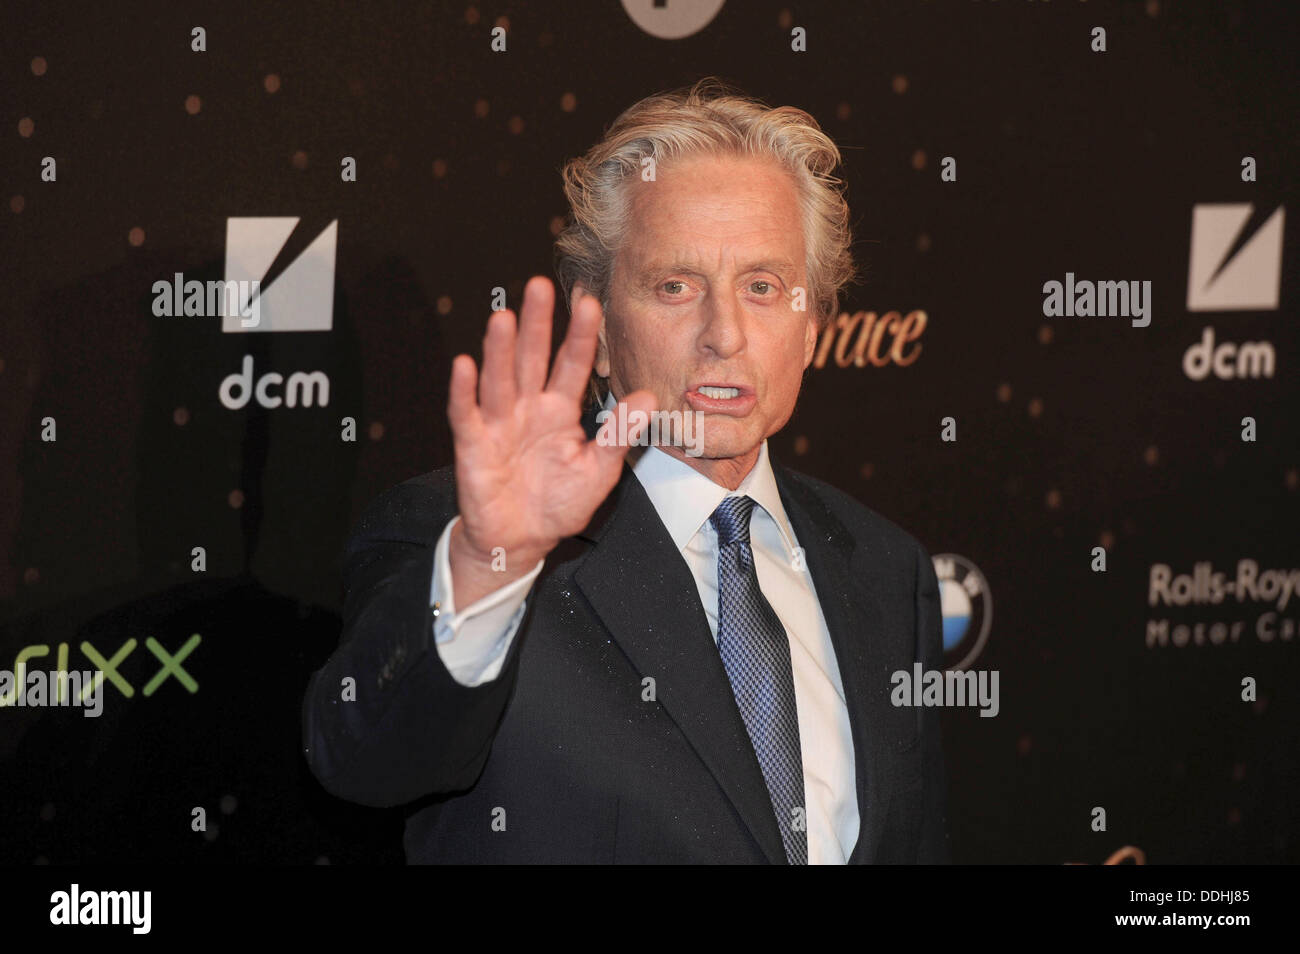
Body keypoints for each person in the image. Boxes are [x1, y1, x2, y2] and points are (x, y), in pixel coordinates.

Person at [301, 78, 949, 864]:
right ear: (598, 327)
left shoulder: (888, 571)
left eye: (764, 287)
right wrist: (486, 561)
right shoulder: (466, 543)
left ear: (812, 327)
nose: (725, 334)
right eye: (675, 286)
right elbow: (365, 758)